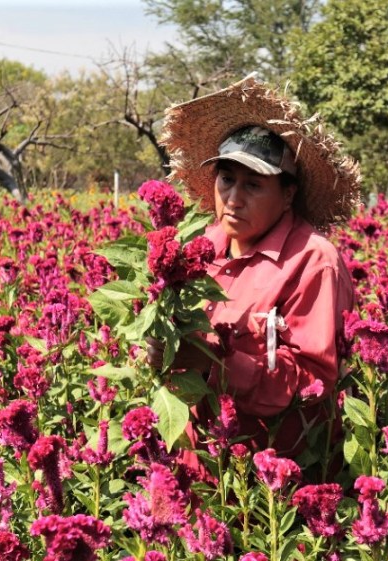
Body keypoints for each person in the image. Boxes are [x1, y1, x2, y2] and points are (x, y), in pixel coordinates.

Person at [148, 75, 361, 461]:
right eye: (227, 180)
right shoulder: (198, 250)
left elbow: (313, 382)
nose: (233, 198)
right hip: (197, 463)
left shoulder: (313, 261)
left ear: (288, 195)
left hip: (271, 484)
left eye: (253, 185)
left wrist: (214, 361)